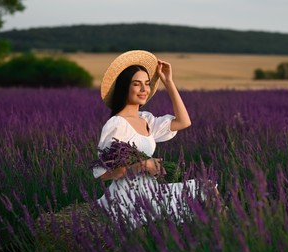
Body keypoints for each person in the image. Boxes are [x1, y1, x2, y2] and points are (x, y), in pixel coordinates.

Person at [92, 50, 215, 228]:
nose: (144, 90)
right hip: (129, 195)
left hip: (151, 189)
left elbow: (184, 121)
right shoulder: (117, 124)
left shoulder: (146, 119)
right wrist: (142, 166)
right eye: (136, 84)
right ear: (124, 87)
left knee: (208, 187)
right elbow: (103, 174)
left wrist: (169, 82)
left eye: (147, 84)